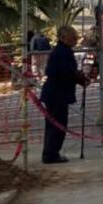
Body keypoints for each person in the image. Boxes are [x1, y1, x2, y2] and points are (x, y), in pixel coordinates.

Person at [40, 26, 90, 164]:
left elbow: (68, 71)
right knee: (57, 125)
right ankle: (51, 154)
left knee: (55, 124)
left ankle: (51, 152)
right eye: (72, 36)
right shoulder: (61, 52)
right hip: (56, 94)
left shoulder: (65, 51)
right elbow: (65, 72)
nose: (75, 38)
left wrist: (79, 77)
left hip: (58, 93)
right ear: (63, 38)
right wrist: (79, 78)